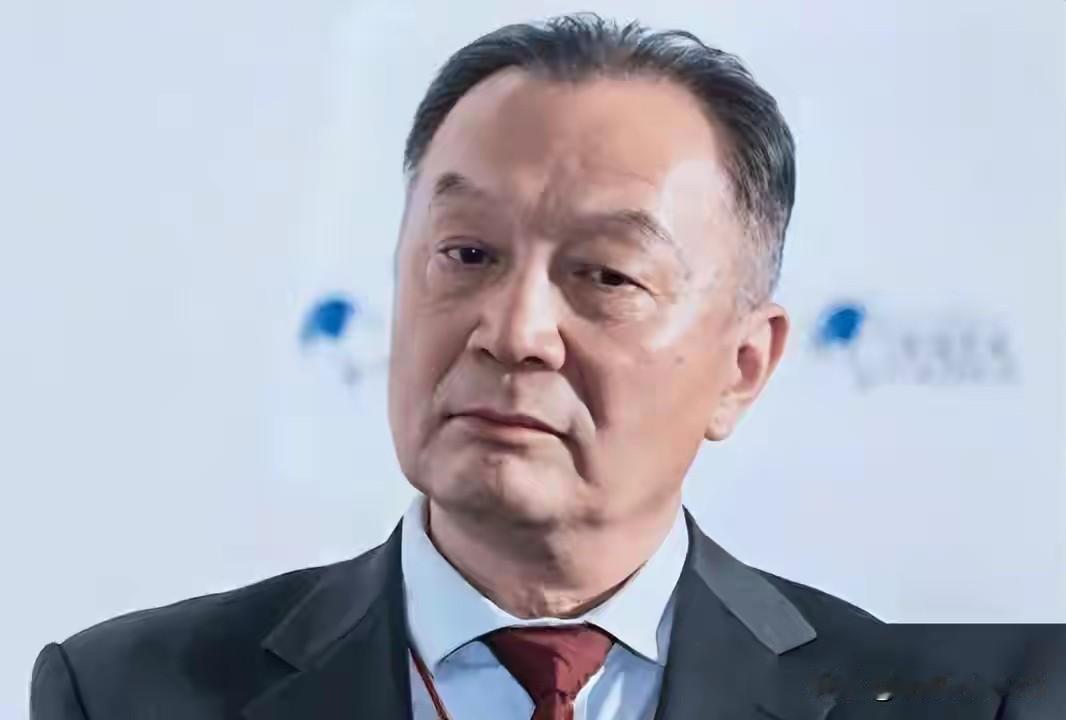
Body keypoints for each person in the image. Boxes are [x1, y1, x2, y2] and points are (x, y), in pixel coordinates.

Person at [30, 13, 1052, 720]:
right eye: (467, 254)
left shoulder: (953, 703)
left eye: (605, 274)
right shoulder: (125, 693)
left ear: (743, 366)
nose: (513, 331)